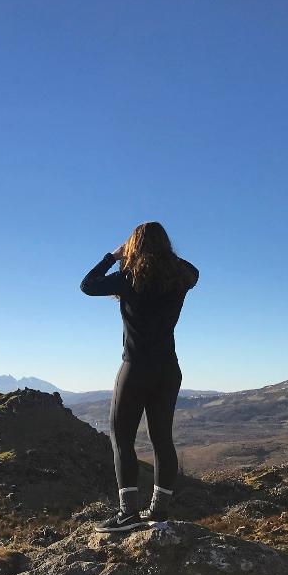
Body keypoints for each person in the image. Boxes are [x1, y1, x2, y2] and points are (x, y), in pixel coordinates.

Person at [80, 221, 199, 532]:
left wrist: (114, 256)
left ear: (133, 247)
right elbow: (194, 270)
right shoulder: (181, 277)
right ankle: (159, 511)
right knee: (163, 440)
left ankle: (128, 514)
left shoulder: (128, 277)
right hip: (168, 369)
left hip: (135, 368)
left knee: (122, 439)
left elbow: (88, 285)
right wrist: (166, 255)